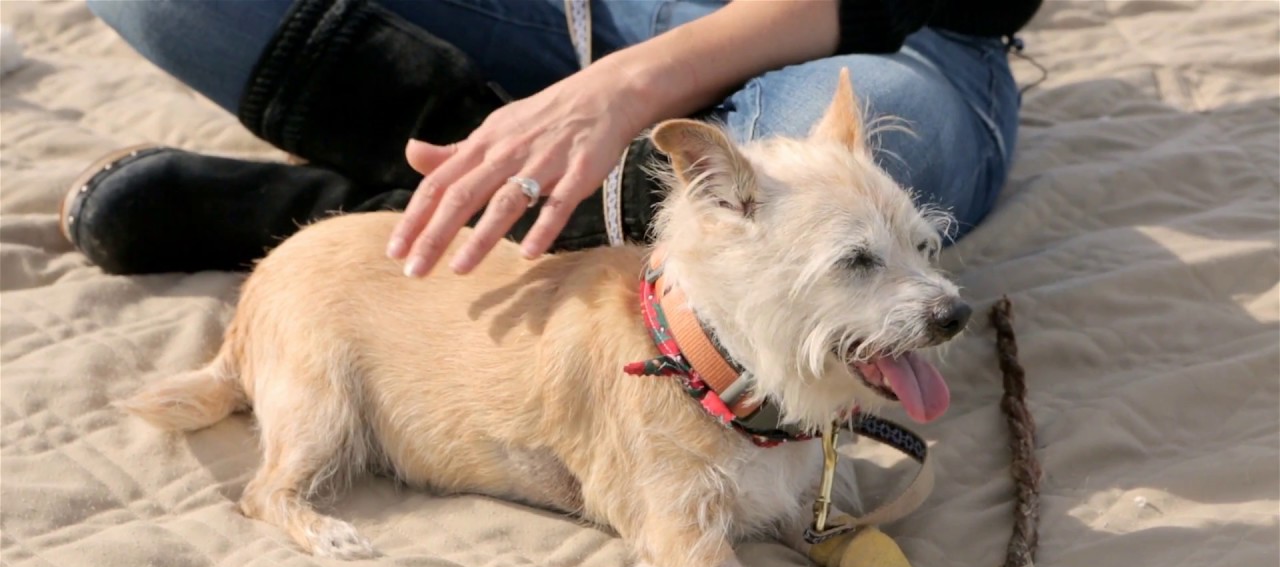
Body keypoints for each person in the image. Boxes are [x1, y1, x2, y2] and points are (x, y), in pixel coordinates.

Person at [64, 0, 1041, 276]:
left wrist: (623, 88)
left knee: (840, 162)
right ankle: (496, 175)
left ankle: (333, 220)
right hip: (592, 18)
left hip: (885, 38)